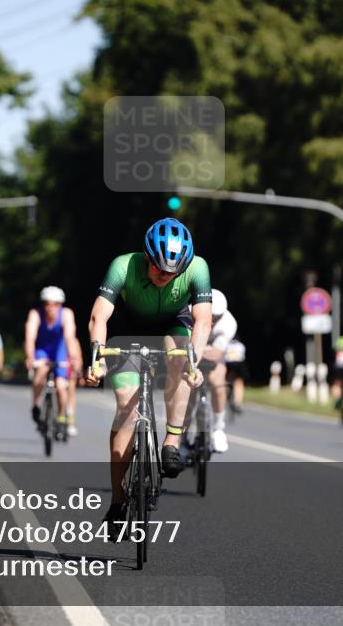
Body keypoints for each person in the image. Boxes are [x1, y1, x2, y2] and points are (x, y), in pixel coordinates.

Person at [85, 218, 211, 535]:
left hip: (173, 322)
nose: (163, 276)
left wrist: (195, 360)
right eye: (158, 269)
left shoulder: (198, 268)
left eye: (172, 273)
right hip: (130, 327)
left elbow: (203, 321)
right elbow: (99, 315)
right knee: (126, 409)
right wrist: (96, 356)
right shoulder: (123, 266)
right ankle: (116, 501)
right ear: (146, 256)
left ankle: (172, 439)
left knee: (181, 357)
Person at [25, 286, 83, 435]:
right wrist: (30, 357)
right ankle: (36, 405)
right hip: (42, 349)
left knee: (61, 385)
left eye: (54, 304)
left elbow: (70, 337)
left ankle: (62, 416)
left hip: (60, 351)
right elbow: (30, 338)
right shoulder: (35, 314)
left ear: (60, 304)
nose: (49, 308)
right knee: (40, 373)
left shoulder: (66, 314)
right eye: (46, 303)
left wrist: (74, 358)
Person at [198, 288, 235, 452]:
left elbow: (215, 353)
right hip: (194, 349)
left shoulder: (229, 324)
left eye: (217, 318)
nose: (212, 321)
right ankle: (181, 437)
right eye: (210, 316)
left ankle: (219, 427)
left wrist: (202, 349)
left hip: (212, 352)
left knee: (217, 382)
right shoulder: (191, 312)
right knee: (186, 386)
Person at [224, 338, 248, 412]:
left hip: (229, 364)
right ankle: (238, 403)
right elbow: (242, 357)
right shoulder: (241, 345)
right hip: (239, 364)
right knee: (239, 383)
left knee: (224, 381)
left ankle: (223, 400)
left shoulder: (225, 344)